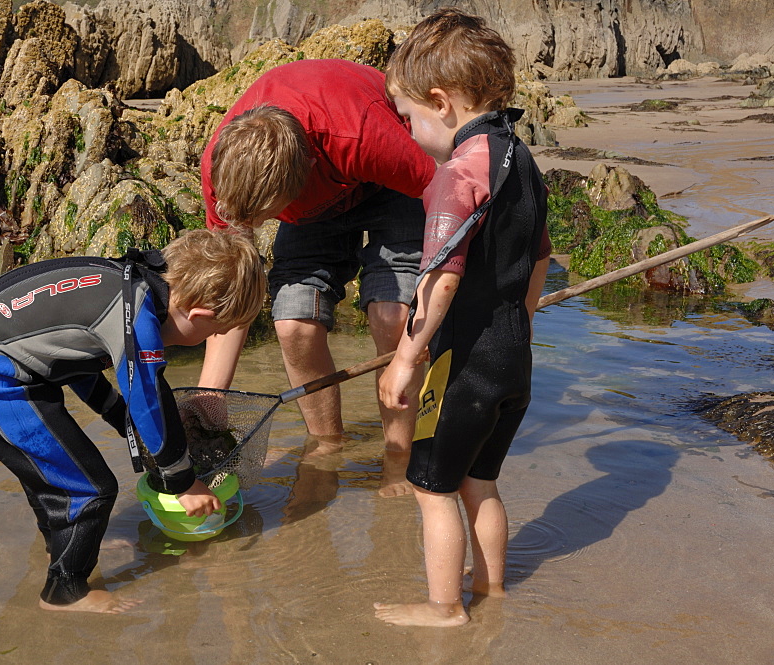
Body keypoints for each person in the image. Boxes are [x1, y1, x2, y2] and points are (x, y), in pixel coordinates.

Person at [0, 230, 266, 614]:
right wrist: (182, 480)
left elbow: (75, 362)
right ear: (199, 316)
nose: (218, 337)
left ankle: (60, 551)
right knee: (89, 488)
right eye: (217, 331)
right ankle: (65, 592)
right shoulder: (136, 319)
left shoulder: (130, 284)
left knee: (56, 474)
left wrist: (118, 418)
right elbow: (147, 396)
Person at [374, 9, 552, 627]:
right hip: (514, 355)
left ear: (441, 102)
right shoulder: (522, 160)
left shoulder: (457, 172)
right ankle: (493, 589)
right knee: (482, 482)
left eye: (408, 116)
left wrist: (404, 359)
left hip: (465, 363)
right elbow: (540, 260)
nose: (408, 130)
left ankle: (444, 606)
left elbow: (441, 275)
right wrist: (519, 325)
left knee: (432, 488)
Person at [199, 58, 437, 494]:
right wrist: (211, 395)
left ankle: (399, 454)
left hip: (393, 184)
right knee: (293, 324)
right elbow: (230, 295)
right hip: (316, 196)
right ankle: (328, 443)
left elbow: (450, 202)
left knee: (391, 315)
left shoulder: (365, 137)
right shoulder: (222, 173)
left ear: (304, 173)